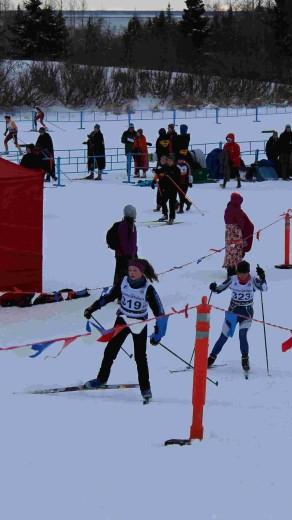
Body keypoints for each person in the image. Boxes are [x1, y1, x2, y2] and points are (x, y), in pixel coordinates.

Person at [82, 258, 166, 404]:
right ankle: (101, 379)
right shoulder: (123, 282)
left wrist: (158, 335)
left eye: (135, 271)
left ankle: (146, 389)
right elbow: (107, 297)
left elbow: (160, 313)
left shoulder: (148, 289)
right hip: (122, 321)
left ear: (142, 272)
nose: (132, 273)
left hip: (139, 323)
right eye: (130, 270)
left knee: (140, 357)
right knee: (110, 350)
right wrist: (92, 308)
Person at [207, 261, 267, 373]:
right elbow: (219, 289)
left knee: (242, 334)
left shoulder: (253, 280)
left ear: (248, 273)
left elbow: (264, 288)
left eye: (245, 274)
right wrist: (214, 288)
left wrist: (263, 277)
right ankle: (212, 357)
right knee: (223, 336)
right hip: (233, 313)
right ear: (237, 272)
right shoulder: (233, 279)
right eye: (240, 273)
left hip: (247, 314)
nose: (242, 276)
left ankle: (245, 359)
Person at [106, 205, 139, 288]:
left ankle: (119, 292)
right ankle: (120, 294)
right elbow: (125, 243)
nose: (136, 213)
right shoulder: (126, 226)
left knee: (121, 275)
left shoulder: (129, 225)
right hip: (125, 256)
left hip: (124, 255)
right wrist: (131, 255)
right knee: (123, 276)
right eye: (134, 212)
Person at [223, 192, 253, 277]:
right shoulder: (237, 210)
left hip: (228, 232)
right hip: (236, 232)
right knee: (236, 250)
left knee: (230, 250)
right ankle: (234, 270)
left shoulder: (228, 208)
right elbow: (242, 222)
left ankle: (230, 268)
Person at [153, 155, 179, 224]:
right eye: (168, 161)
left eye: (170, 161)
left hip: (173, 189)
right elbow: (160, 171)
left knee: (171, 204)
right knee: (162, 201)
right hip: (166, 188)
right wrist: (155, 170)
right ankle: (165, 215)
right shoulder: (165, 167)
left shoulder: (176, 169)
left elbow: (177, 178)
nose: (169, 162)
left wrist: (170, 174)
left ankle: (171, 218)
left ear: (173, 162)